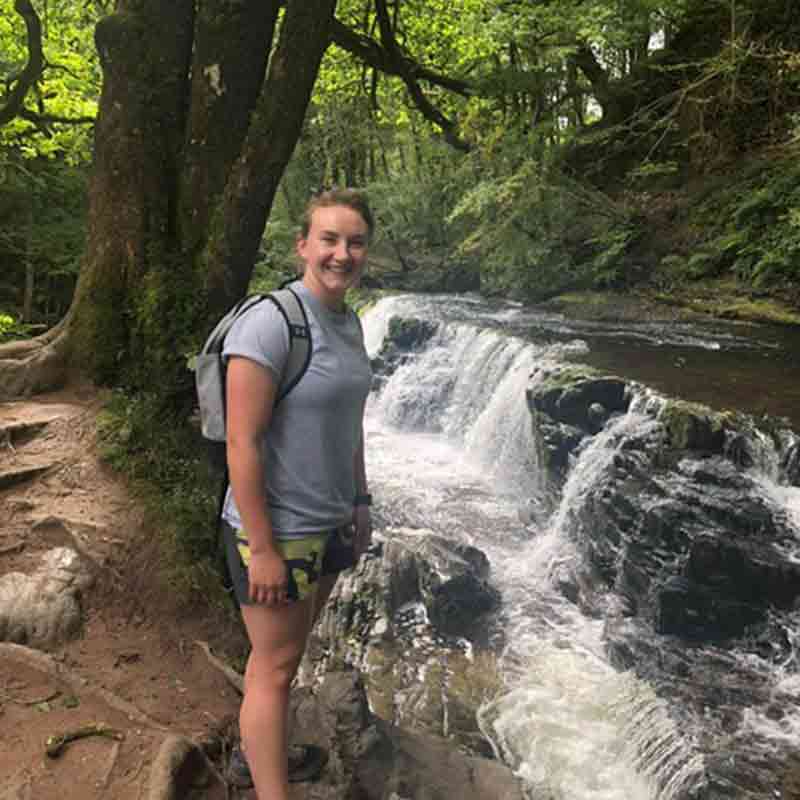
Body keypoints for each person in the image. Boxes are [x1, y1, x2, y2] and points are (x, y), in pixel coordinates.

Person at [220, 188, 374, 799]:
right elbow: (242, 443)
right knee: (275, 666)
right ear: (303, 245)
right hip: (278, 529)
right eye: (330, 240)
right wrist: (261, 547)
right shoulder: (270, 323)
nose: (342, 254)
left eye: (355, 242)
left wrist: (359, 503)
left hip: (331, 521)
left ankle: (258, 755)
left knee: (287, 655)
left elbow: (351, 423)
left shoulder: (350, 322)